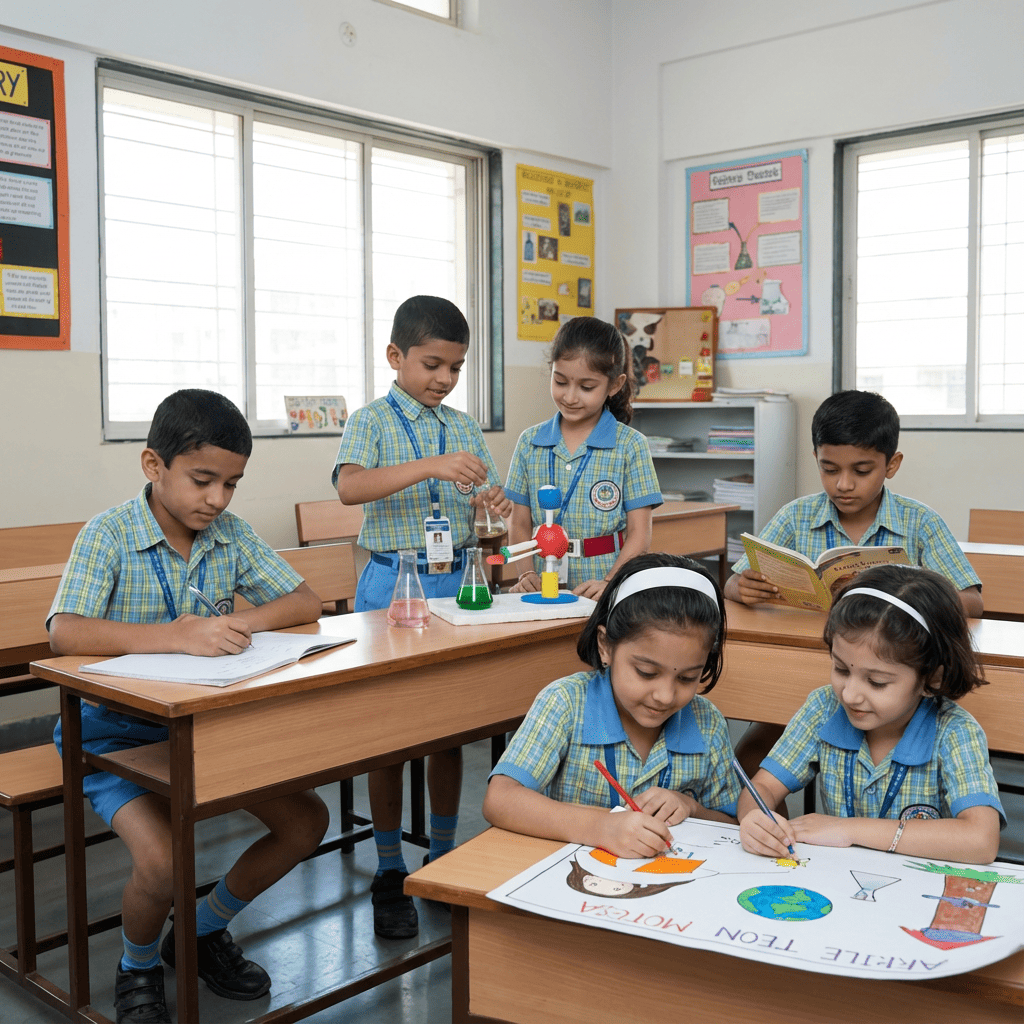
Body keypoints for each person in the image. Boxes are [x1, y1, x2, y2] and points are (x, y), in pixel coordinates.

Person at [48, 389, 329, 1024]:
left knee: (306, 821)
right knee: (163, 863)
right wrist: (177, 633)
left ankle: (198, 931)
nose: (218, 500)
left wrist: (245, 621)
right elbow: (64, 632)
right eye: (204, 481)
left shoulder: (230, 536)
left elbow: (305, 601)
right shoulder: (110, 534)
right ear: (154, 465)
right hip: (110, 734)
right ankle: (137, 965)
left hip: (205, 727)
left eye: (231, 484)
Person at [333, 294, 512, 939]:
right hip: (391, 579)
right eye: (433, 363)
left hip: (455, 581)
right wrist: (431, 466)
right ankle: (387, 867)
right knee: (387, 732)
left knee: (447, 728)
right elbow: (351, 486)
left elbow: (489, 511)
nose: (444, 378)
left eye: (456, 368)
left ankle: (440, 854)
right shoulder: (372, 421)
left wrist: (494, 502)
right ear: (396, 357)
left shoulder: (464, 426)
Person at [725, 389, 983, 773]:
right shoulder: (797, 516)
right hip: (802, 672)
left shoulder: (919, 522)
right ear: (816, 459)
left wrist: (898, 594)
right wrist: (742, 587)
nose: (844, 484)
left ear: (891, 464)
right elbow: (732, 584)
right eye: (830, 469)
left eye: (861, 471)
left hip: (891, 693)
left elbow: (972, 602)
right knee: (749, 763)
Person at [738, 565, 1004, 865]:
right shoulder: (824, 707)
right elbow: (759, 788)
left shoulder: (955, 731)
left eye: (876, 682)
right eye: (840, 669)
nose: (850, 695)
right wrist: (756, 819)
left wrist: (849, 829)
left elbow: (981, 840)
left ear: (933, 679)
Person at [483, 553, 740, 857]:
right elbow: (500, 799)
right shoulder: (566, 703)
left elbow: (732, 823)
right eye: (646, 672)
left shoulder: (706, 722)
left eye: (687, 677)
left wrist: (692, 807)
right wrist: (601, 827)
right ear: (605, 646)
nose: (665, 696)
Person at [504, 316, 662, 600]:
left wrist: (611, 582)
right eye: (560, 381)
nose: (570, 396)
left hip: (602, 587)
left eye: (586, 387)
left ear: (614, 385)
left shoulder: (630, 446)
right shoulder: (529, 442)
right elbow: (519, 524)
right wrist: (526, 573)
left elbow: (640, 534)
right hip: (543, 586)